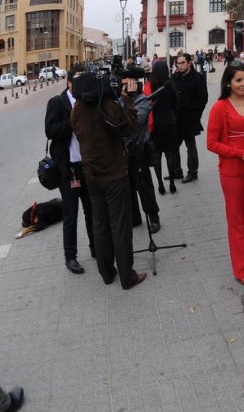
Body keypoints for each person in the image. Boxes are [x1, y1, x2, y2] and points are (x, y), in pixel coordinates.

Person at [70, 72, 147, 290]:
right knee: (120, 227)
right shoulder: (108, 106)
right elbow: (129, 126)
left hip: (92, 177)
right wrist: (128, 100)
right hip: (114, 176)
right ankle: (127, 276)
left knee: (100, 225)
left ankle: (106, 273)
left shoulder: (76, 111)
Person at [206, 63, 244, 286]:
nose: (243, 84)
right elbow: (211, 144)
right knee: (236, 220)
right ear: (229, 83)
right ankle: (241, 268)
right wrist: (240, 153)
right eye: (238, 80)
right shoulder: (220, 107)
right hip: (232, 171)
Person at [44, 65, 95, 274]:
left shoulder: (88, 101)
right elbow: (50, 130)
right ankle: (70, 256)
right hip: (68, 170)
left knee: (92, 210)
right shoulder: (57, 102)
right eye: (78, 82)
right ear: (70, 83)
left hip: (87, 166)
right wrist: (72, 122)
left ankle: (96, 247)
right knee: (70, 213)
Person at [125, 82, 161, 234]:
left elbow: (133, 124)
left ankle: (153, 217)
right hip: (122, 151)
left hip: (138, 149)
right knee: (127, 186)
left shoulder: (142, 100)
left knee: (144, 186)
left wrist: (126, 103)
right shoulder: (117, 100)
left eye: (127, 82)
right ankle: (134, 217)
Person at [172, 53, 208, 183]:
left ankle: (193, 172)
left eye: (182, 63)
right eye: (178, 63)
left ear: (189, 63)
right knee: (174, 146)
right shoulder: (174, 77)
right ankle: (177, 171)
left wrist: (196, 115)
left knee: (190, 146)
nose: (180, 65)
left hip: (189, 118)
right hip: (176, 119)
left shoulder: (197, 78)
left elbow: (203, 100)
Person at [146, 61, 180, 195]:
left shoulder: (150, 86)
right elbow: (177, 104)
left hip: (155, 125)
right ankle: (172, 183)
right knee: (170, 154)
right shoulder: (170, 84)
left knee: (157, 156)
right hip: (169, 123)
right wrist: (174, 118)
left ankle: (160, 184)